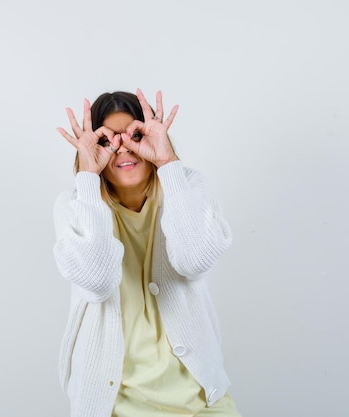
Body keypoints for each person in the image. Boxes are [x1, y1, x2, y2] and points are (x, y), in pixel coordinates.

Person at [53, 89, 241, 417]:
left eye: (135, 135)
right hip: (116, 407)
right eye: (107, 141)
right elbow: (96, 282)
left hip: (200, 403)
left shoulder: (188, 188)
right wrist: (88, 177)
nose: (123, 147)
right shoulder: (75, 207)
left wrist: (169, 164)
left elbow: (195, 260)